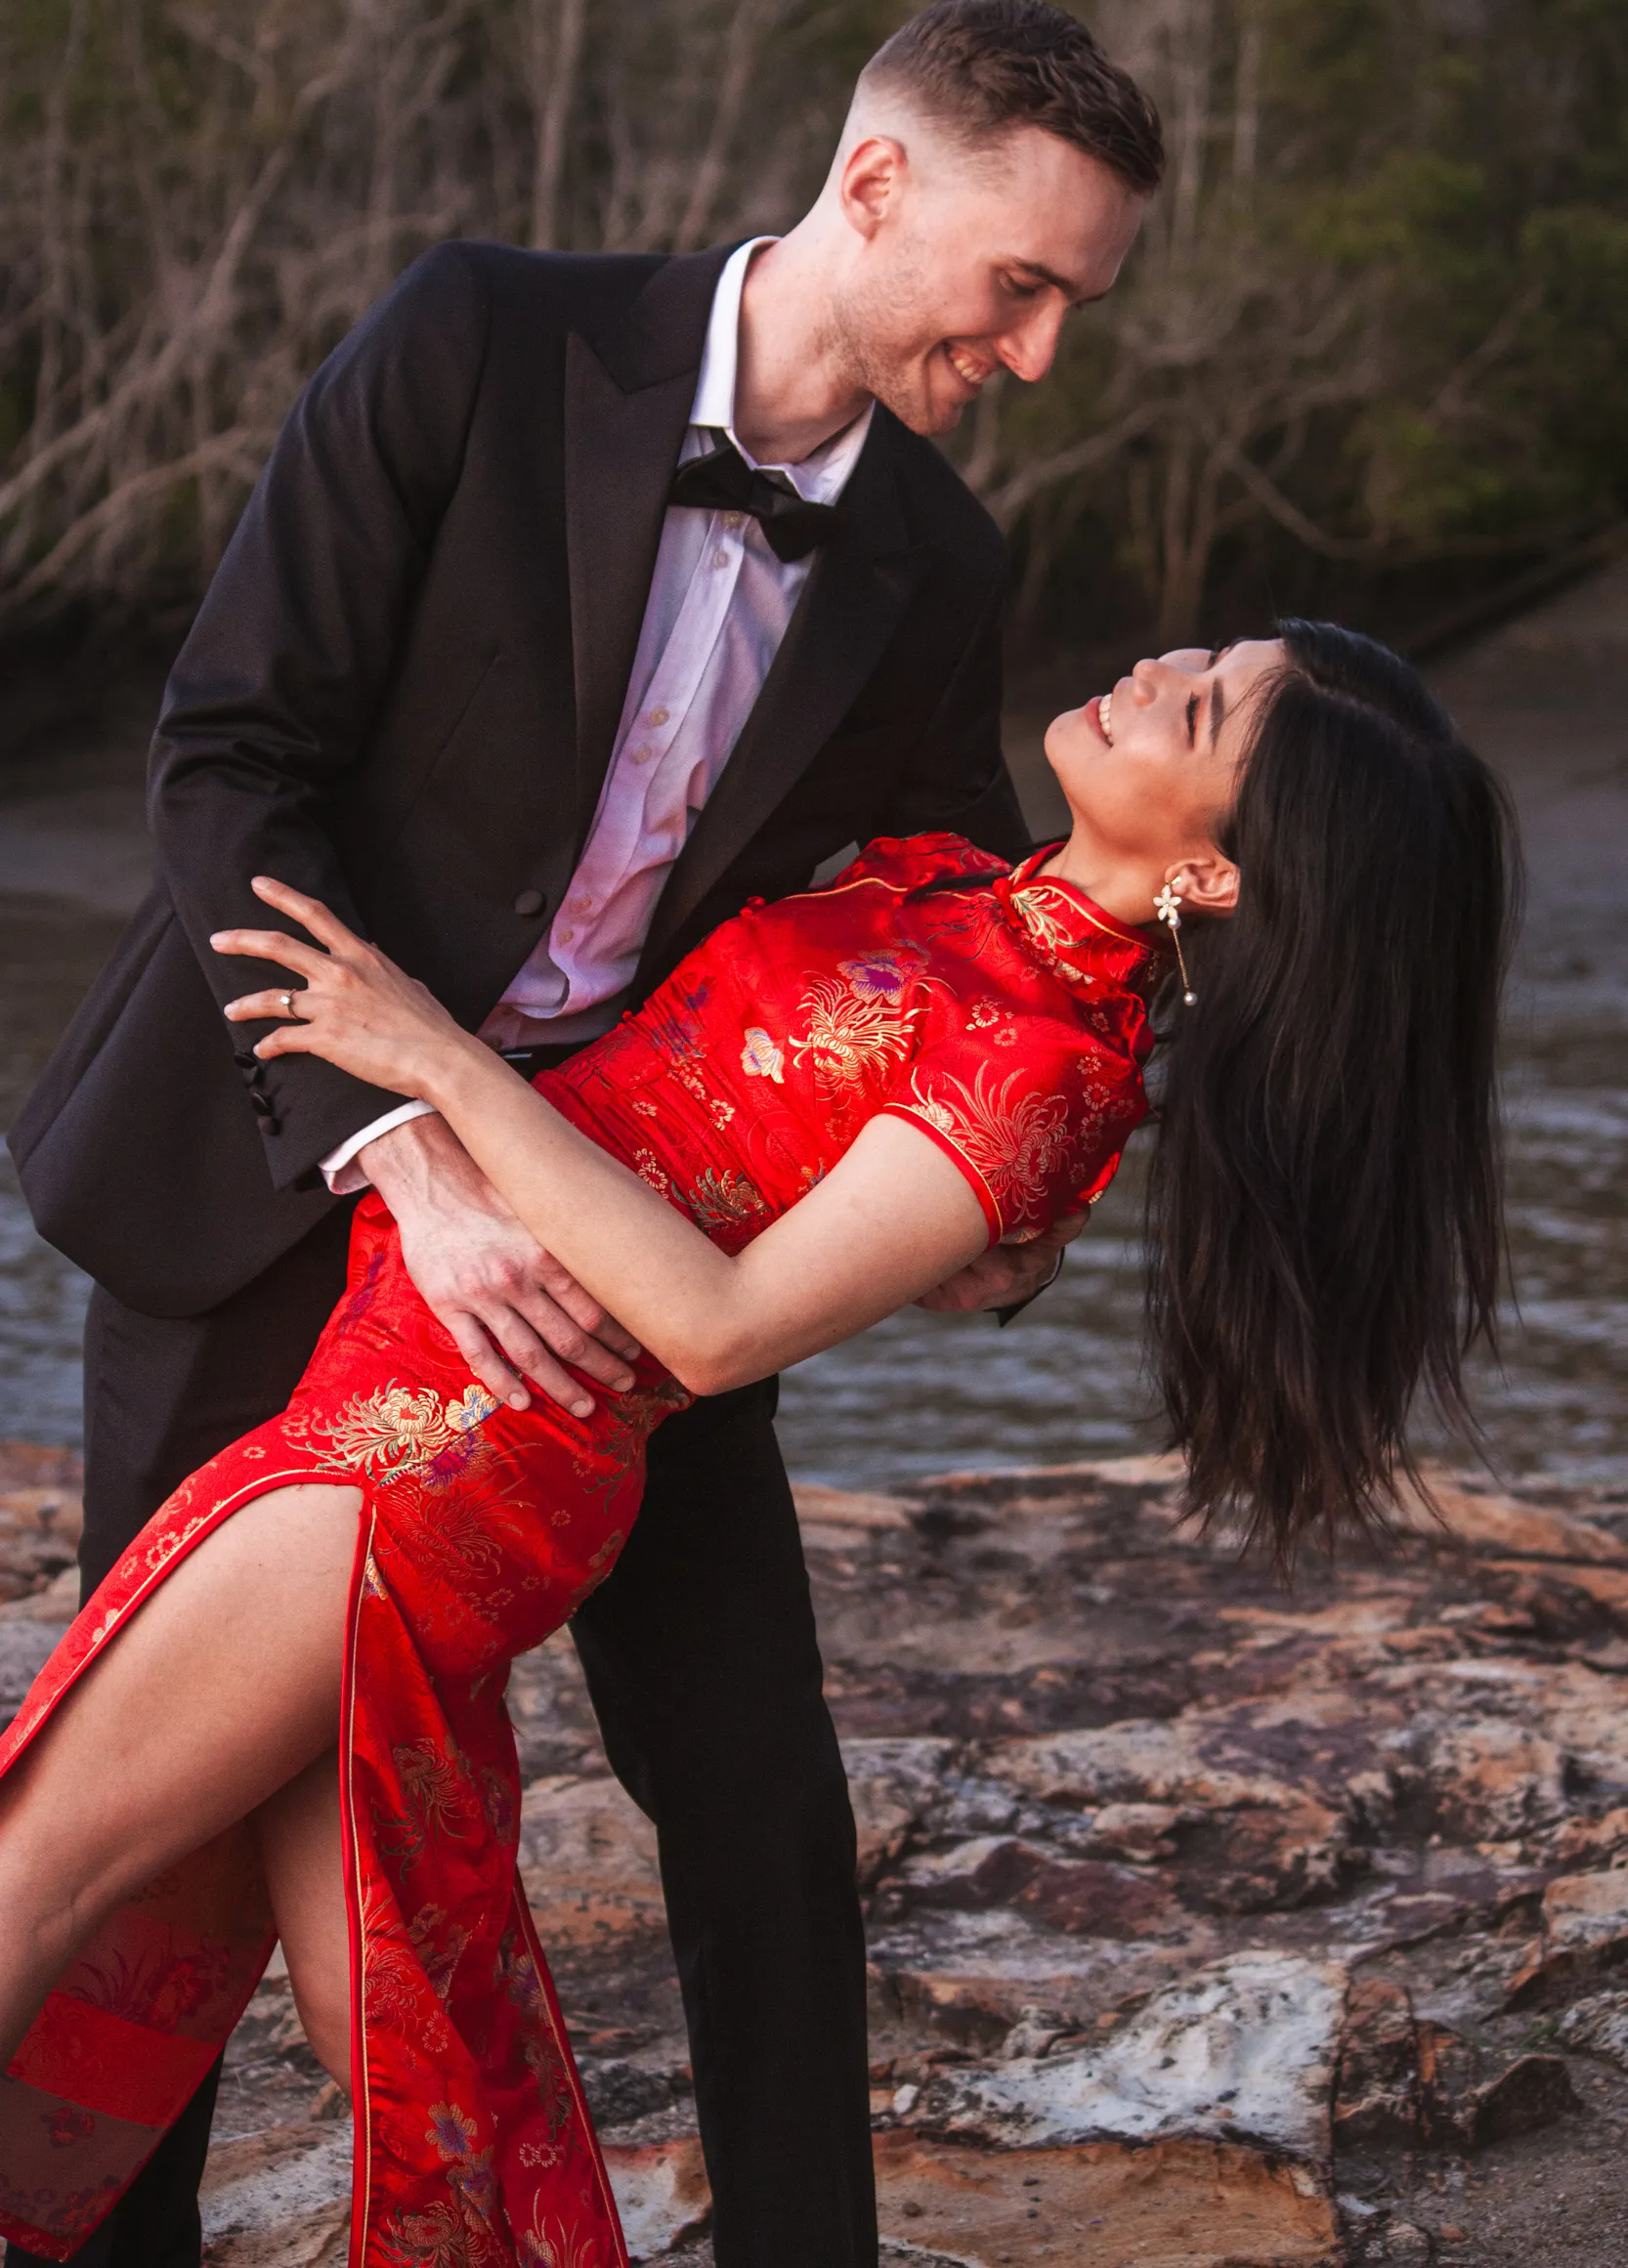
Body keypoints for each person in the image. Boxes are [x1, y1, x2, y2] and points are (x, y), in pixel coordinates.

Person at [4, 0, 1164, 2267]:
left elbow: (944, 916)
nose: (1036, 354)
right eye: (1018, 286)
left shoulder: (939, 563)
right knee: (152, 1811)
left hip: (630, 1247)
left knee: (758, 1801)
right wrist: (399, 1142)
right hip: (278, 1157)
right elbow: (230, 753)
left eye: (1074, 311)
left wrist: (1016, 1190)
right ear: (872, 185)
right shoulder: (479, 337)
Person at [0, 621, 1516, 2264]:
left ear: (1213, 875)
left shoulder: (1042, 1070)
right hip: (398, 1400)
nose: (1157, 667)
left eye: (1200, 705)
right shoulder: (949, 888)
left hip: (443, 1452)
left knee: (45, 1865)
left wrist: (427, 1059)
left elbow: (715, 1327)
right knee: (391, 2004)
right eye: (1202, 650)